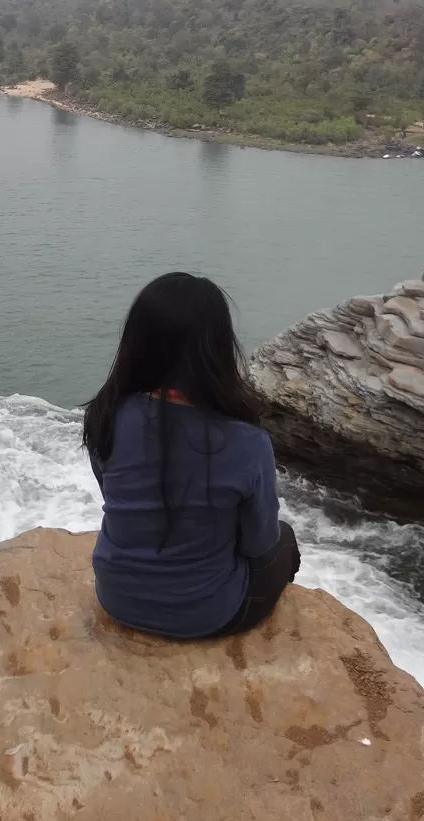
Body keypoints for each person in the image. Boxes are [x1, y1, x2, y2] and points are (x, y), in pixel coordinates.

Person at [84, 272, 301, 638]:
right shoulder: (247, 442)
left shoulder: (106, 415)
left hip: (116, 596)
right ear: (217, 349)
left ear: (136, 342)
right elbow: (258, 543)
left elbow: (114, 494)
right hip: (208, 614)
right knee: (285, 541)